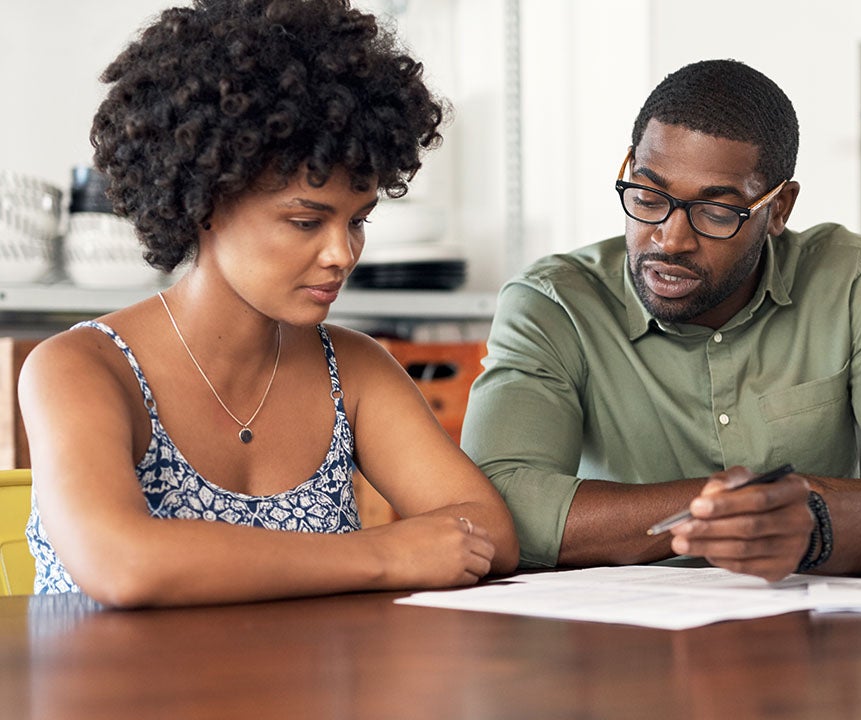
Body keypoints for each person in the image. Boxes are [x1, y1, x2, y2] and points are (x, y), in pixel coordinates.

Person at [19, 0, 517, 608]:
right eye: (307, 222)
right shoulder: (80, 368)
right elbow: (122, 564)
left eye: (357, 221)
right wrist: (387, 554)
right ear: (205, 204)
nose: (342, 253)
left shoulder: (353, 371)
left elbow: (490, 533)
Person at [460, 59, 861, 581]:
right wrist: (758, 505)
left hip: (814, 636)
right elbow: (498, 502)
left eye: (716, 212)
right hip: (625, 646)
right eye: (648, 196)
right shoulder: (553, 302)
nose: (670, 239)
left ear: (778, 208)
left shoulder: (851, 278)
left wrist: (814, 526)